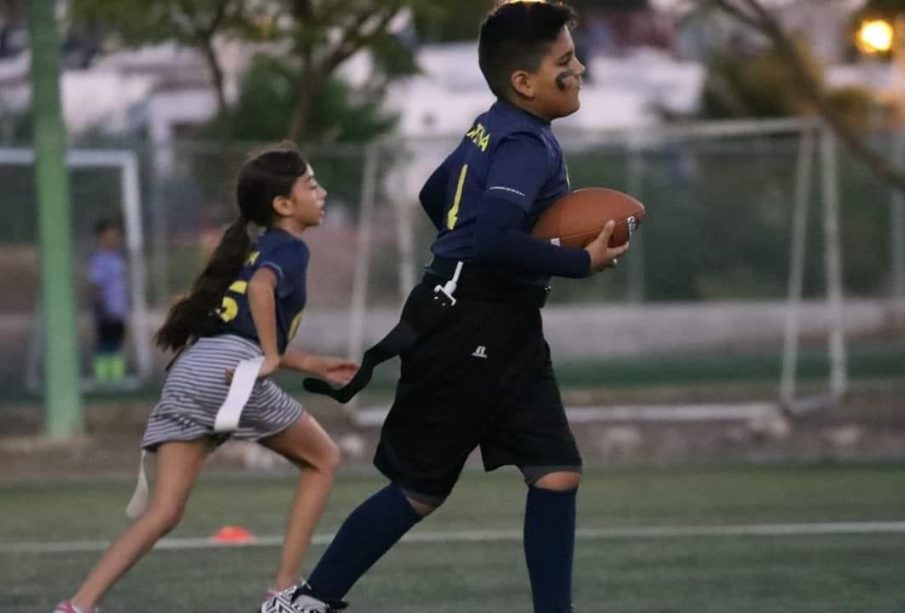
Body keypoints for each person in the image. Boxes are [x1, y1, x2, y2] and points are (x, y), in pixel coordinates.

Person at [270, 2, 630, 613]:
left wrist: (457, 247)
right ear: (525, 82)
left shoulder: (495, 124)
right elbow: (491, 238)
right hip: (467, 325)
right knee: (419, 489)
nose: (581, 69)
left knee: (556, 470)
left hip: (504, 322)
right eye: (566, 61)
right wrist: (579, 262)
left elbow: (435, 191)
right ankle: (305, 604)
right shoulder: (525, 144)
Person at [54, 142, 358, 613]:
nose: (320, 193)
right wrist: (274, 357)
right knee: (323, 459)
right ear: (283, 205)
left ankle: (78, 605)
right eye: (311, 186)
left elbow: (240, 328)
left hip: (191, 370)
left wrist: (310, 363)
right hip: (228, 373)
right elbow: (261, 295)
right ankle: (283, 592)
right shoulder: (289, 248)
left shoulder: (251, 251)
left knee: (164, 511)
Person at [88, 219, 129, 384]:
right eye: (109, 236)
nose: (113, 240)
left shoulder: (117, 259)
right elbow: (96, 284)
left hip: (119, 308)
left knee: (117, 341)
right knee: (105, 342)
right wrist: (101, 306)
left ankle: (116, 376)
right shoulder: (99, 260)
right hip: (105, 309)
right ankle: (103, 376)